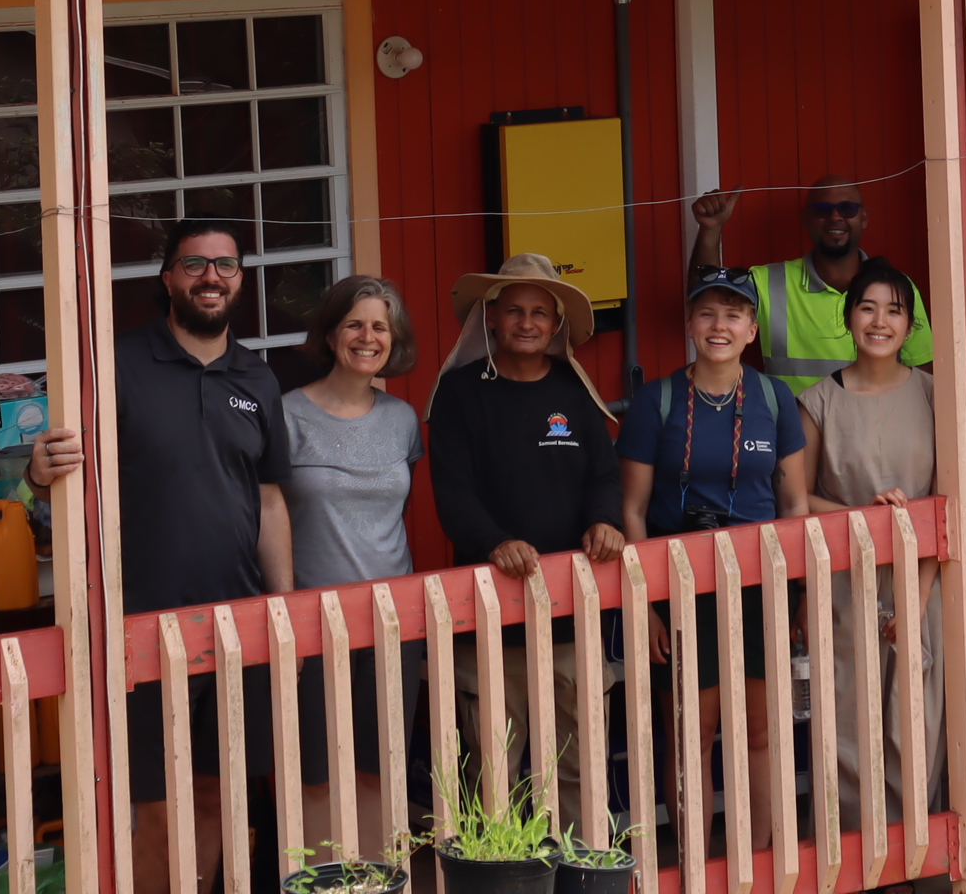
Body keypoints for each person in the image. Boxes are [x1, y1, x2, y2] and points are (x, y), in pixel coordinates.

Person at [31, 222, 290, 894]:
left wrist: (281, 611)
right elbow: (61, 468)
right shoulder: (116, 365)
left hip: (235, 626)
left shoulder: (257, 377)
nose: (212, 277)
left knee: (213, 795)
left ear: (241, 277)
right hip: (140, 627)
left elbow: (267, 499)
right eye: (194, 264)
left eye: (225, 264)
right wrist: (36, 471)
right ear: (168, 278)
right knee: (152, 805)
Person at [619, 269, 814, 848]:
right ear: (689, 325)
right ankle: (698, 869)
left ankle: (756, 866)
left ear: (752, 328)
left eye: (733, 314)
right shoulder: (657, 400)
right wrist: (644, 605)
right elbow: (631, 510)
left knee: (759, 729)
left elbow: (795, 501)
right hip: (679, 583)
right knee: (691, 730)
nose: (719, 325)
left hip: (759, 582)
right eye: (707, 314)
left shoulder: (775, 398)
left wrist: (797, 593)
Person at [427, 253, 627, 817]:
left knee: (576, 770)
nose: (527, 322)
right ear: (490, 317)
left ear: (556, 324)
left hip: (571, 620)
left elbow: (603, 475)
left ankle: (578, 875)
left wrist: (605, 522)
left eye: (541, 312)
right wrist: (495, 542)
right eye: (514, 310)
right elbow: (454, 495)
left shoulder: (574, 392)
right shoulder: (460, 395)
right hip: (487, 622)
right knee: (491, 775)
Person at [795, 259, 943, 836]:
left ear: (911, 326)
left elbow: (946, 500)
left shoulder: (935, 395)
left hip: (923, 582)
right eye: (867, 306)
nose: (880, 321)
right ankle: (856, 856)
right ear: (848, 315)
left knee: (917, 721)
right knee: (848, 723)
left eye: (895, 310)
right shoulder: (818, 402)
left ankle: (915, 852)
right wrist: (863, 519)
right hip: (843, 582)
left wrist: (918, 597)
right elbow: (799, 500)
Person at [280, 275, 426, 854]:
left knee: (380, 767)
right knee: (315, 773)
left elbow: (396, 513)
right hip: (315, 619)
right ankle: (325, 884)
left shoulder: (403, 420)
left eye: (380, 327)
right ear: (332, 332)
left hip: (393, 621)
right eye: (355, 324)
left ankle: (376, 880)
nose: (368, 338)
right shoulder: (287, 414)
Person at [689, 178, 936, 392]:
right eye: (821, 209)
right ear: (806, 219)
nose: (835, 217)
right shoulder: (770, 281)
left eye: (847, 208)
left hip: (871, 436)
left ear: (864, 218)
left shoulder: (897, 288)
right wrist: (711, 230)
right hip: (792, 435)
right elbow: (707, 296)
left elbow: (924, 373)